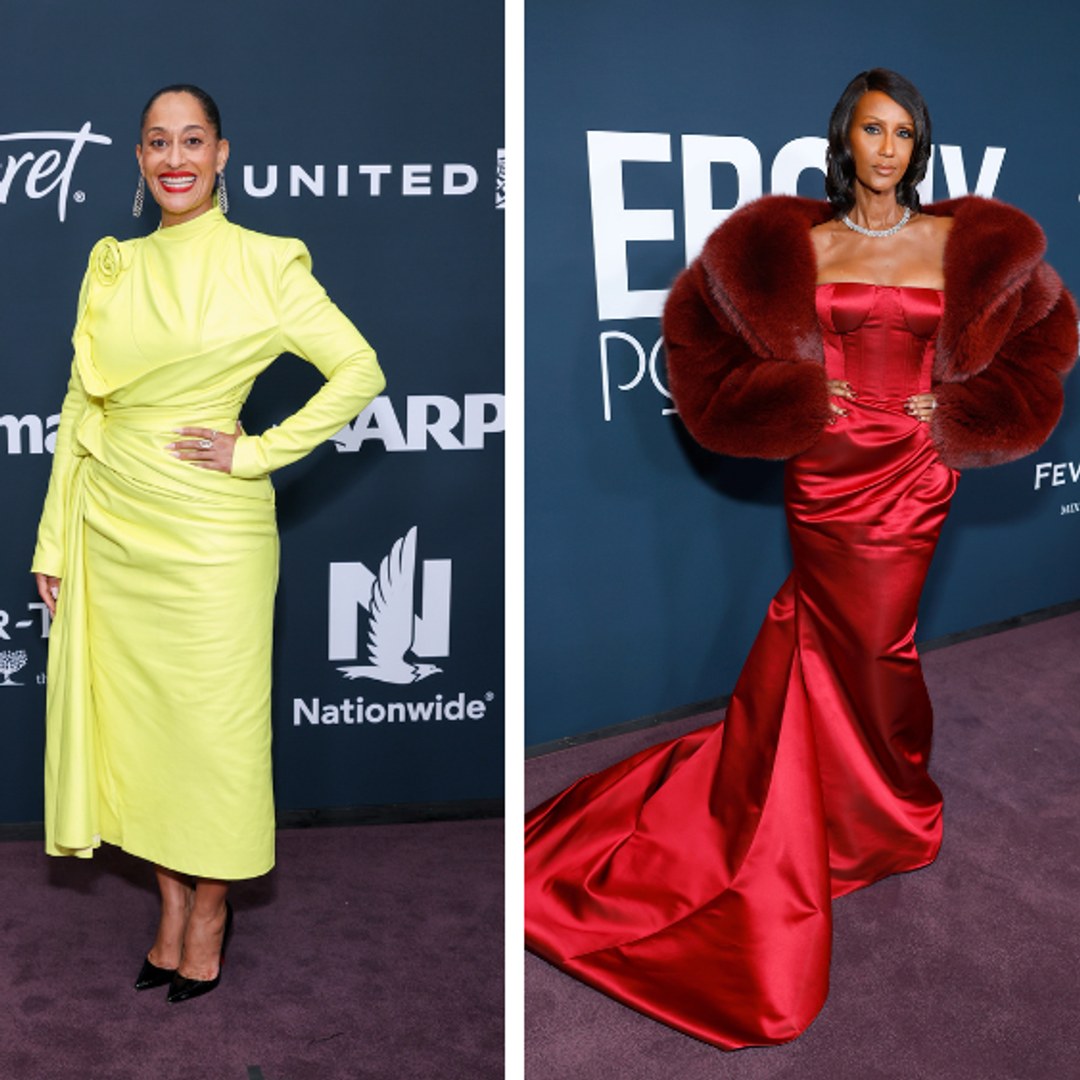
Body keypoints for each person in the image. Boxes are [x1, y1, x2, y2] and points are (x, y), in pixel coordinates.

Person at [524, 69, 1077, 1048]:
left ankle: (885, 806)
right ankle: (856, 811)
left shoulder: (960, 242)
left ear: (919, 146)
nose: (888, 148)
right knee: (829, 631)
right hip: (826, 469)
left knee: (881, 642)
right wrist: (795, 396)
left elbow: (1047, 336)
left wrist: (961, 410)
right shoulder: (804, 244)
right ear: (844, 140)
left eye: (903, 132)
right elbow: (698, 336)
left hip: (916, 468)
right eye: (872, 130)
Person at [31, 84, 386, 1003]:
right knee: (142, 729)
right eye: (158, 142)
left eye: (193, 141)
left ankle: (213, 909)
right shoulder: (114, 265)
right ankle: (168, 905)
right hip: (111, 523)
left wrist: (256, 452)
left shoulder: (266, 263)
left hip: (213, 536)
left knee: (215, 734)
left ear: (222, 155)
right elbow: (79, 405)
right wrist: (54, 539)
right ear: (139, 158)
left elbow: (360, 369)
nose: (175, 158)